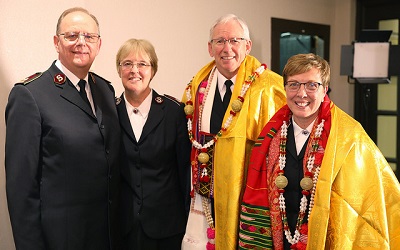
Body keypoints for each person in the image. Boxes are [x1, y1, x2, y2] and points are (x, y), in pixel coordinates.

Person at [239, 53, 400, 249]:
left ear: (324, 90)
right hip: (278, 241)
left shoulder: (350, 137)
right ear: (285, 88)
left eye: (311, 85)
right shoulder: (270, 136)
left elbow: (369, 200)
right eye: (294, 84)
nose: (302, 93)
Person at [5, 7, 121, 250]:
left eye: (89, 37)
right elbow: (21, 189)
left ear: (99, 44)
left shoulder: (106, 90)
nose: (81, 43)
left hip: (106, 236)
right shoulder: (30, 95)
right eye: (72, 36)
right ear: (57, 42)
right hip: (60, 240)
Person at [181, 14, 286, 249]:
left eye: (234, 41)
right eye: (219, 41)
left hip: (247, 194)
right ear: (210, 48)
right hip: (206, 193)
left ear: (247, 46)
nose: (227, 48)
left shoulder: (269, 87)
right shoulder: (196, 87)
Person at [115, 38, 191, 250]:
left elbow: (184, 171)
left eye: (142, 64)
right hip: (123, 228)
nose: (134, 70)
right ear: (119, 69)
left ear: (153, 70)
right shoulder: (108, 112)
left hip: (167, 227)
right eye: (127, 63)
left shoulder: (174, 112)